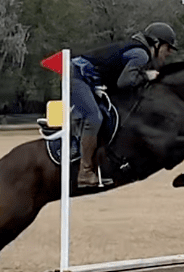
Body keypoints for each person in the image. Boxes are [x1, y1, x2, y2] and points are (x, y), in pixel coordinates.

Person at [70, 22, 178, 187]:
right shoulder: (141, 55)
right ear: (156, 44)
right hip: (78, 75)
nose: (169, 53)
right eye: (167, 48)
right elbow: (125, 82)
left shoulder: (139, 52)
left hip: (91, 78)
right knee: (94, 118)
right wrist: (146, 76)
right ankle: (85, 172)